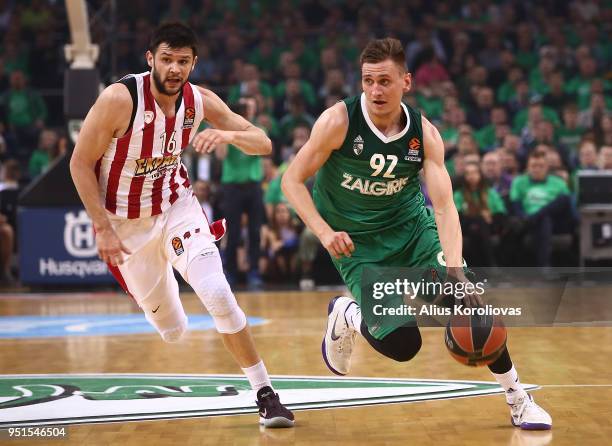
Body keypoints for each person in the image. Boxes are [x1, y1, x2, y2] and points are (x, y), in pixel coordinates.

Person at [282, 38, 551, 430]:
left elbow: (443, 207)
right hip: (359, 244)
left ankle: (518, 398)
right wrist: (323, 232)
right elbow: (291, 180)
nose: (375, 90)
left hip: (412, 231)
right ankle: (348, 314)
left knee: (470, 307)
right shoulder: (338, 122)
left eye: (385, 81)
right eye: (368, 81)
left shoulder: (423, 134)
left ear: (406, 82)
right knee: (404, 345)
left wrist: (457, 273)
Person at [69, 22, 293, 428]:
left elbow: (263, 142)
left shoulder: (199, 101)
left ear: (194, 63)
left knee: (217, 292)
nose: (175, 68)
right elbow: (79, 163)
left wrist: (226, 134)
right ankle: (164, 277)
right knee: (172, 331)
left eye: (183, 61)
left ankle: (266, 394)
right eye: (167, 59)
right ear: (151, 59)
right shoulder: (119, 100)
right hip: (125, 225)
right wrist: (101, 228)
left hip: (176, 206)